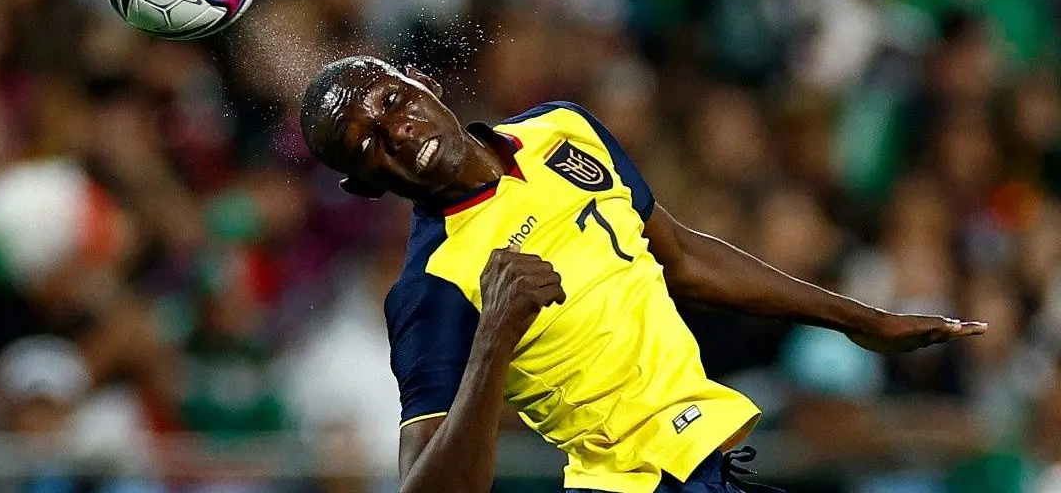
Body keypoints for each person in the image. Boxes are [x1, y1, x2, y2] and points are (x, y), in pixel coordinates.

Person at [297, 56, 988, 493]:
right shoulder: (432, 286)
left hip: (709, 464)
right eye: (369, 146)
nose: (400, 133)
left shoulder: (561, 130)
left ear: (426, 82)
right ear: (363, 185)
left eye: (392, 102)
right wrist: (493, 341)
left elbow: (681, 257)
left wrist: (863, 321)